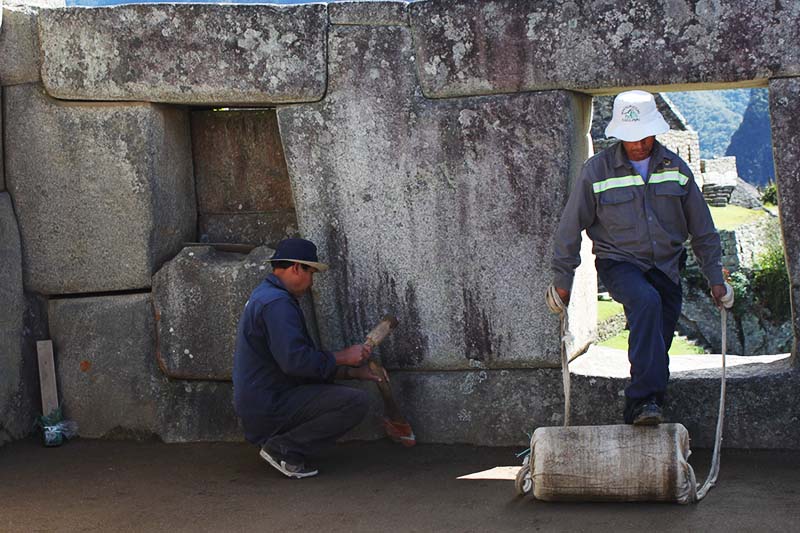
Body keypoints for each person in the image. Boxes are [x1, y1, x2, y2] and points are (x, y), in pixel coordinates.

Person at [550, 90, 730, 425]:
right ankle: (642, 401)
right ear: (619, 135)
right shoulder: (597, 172)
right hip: (619, 263)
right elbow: (569, 227)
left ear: (654, 131)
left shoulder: (675, 169)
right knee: (646, 302)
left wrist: (715, 279)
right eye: (630, 138)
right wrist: (563, 280)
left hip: (667, 266)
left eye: (643, 136)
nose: (637, 144)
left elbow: (703, 229)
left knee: (658, 337)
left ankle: (650, 406)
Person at [233, 238, 384, 479]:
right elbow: (296, 362)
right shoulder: (277, 303)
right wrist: (343, 357)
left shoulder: (266, 295)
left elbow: (300, 365)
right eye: (311, 272)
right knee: (354, 402)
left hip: (262, 402)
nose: (311, 281)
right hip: (268, 405)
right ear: (295, 268)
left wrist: (353, 372)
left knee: (336, 392)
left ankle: (282, 443)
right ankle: (284, 449)